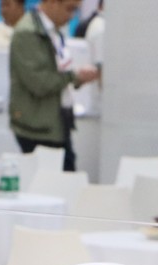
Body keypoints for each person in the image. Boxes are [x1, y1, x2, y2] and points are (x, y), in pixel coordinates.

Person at [9, 0, 99, 171]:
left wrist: (75, 78)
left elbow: (56, 71)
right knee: (52, 180)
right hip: (37, 127)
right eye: (69, 9)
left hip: (55, 122)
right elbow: (39, 83)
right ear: (52, 3)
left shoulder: (51, 31)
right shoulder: (28, 33)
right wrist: (74, 76)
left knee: (65, 177)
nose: (71, 16)